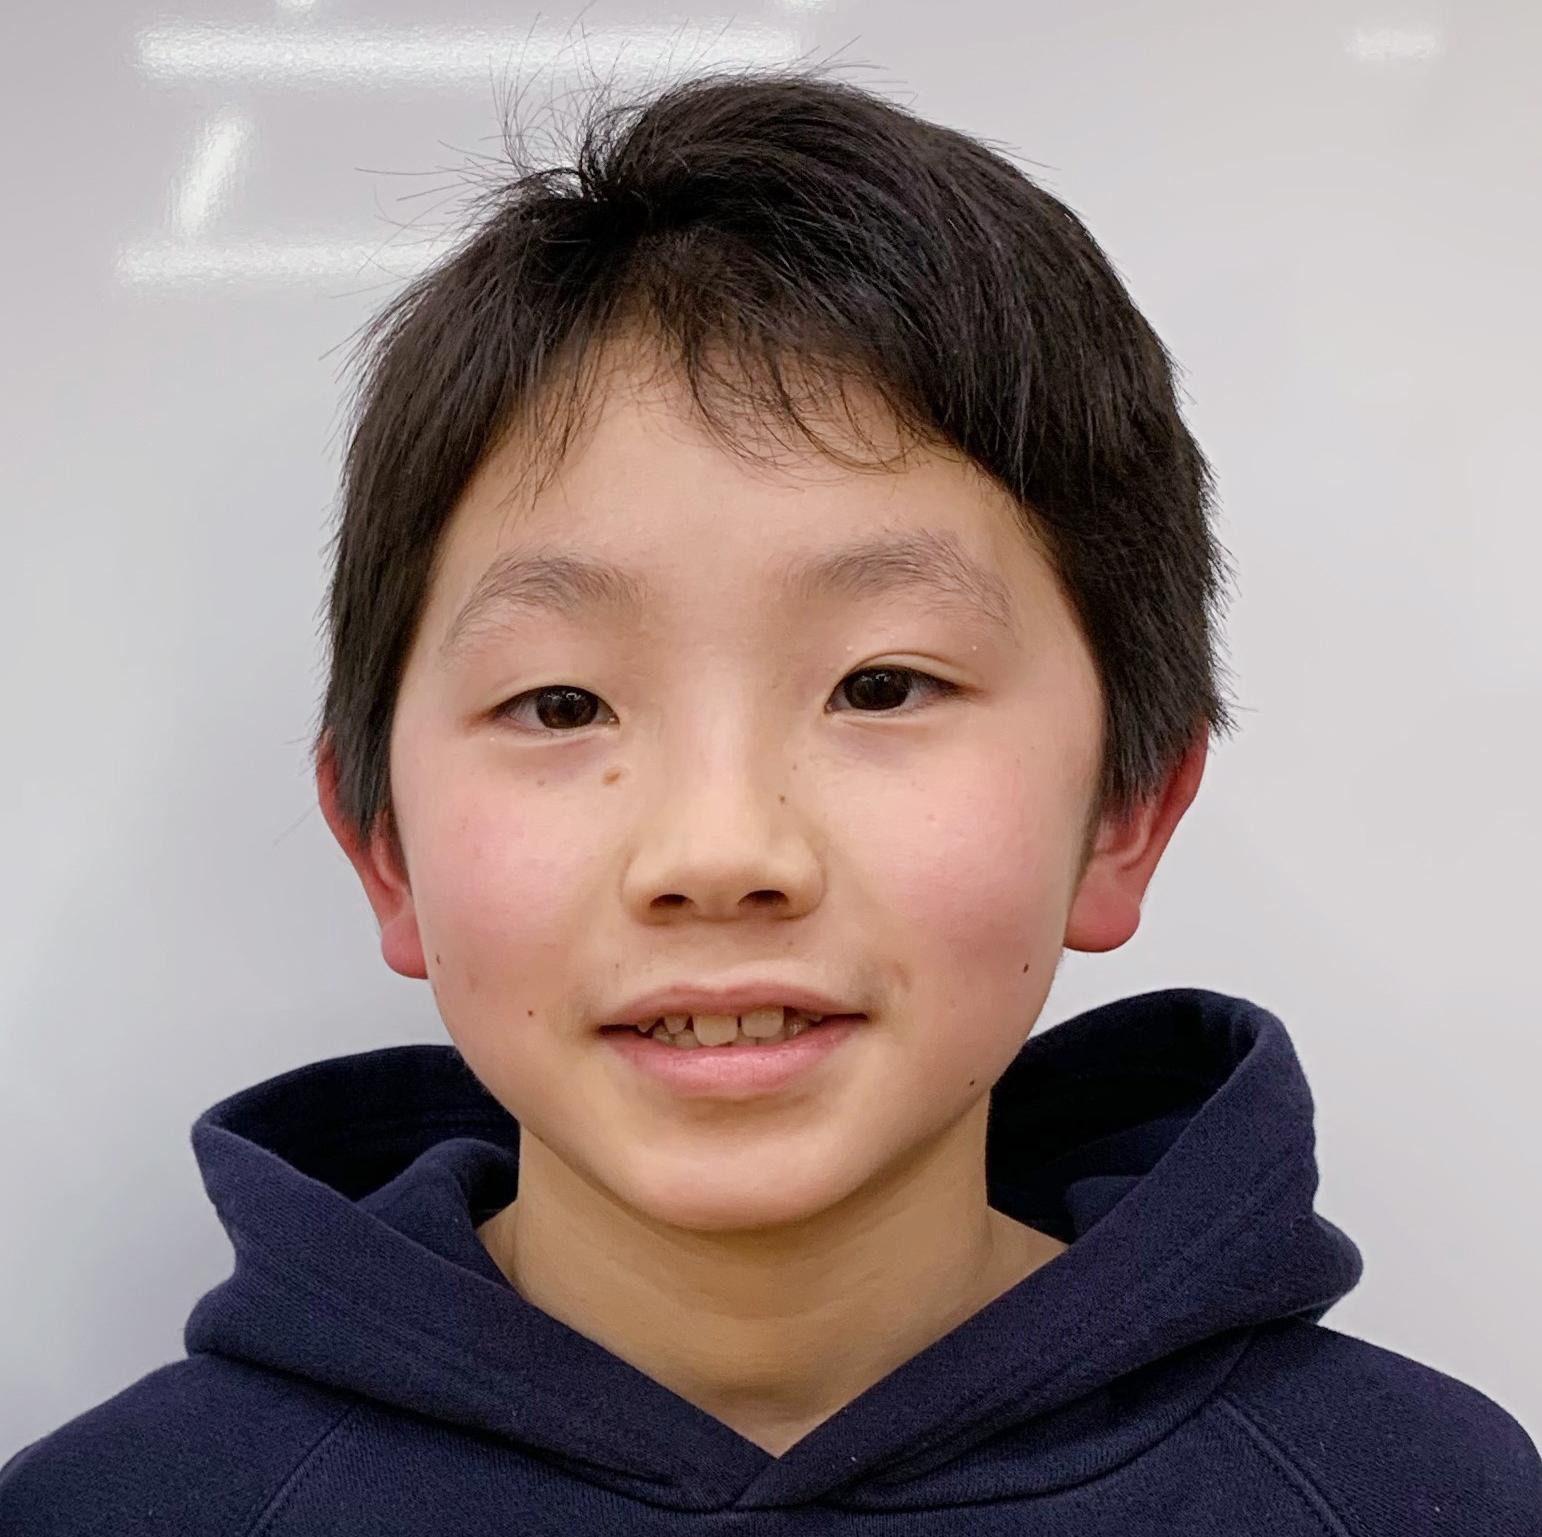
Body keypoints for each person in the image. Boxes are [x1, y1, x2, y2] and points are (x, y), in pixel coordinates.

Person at [4, 64, 1537, 1533]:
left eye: (882, 685)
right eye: (561, 704)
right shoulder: (112, 1512)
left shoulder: (1422, 1496)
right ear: (383, 848)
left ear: (1125, 809)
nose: (720, 850)